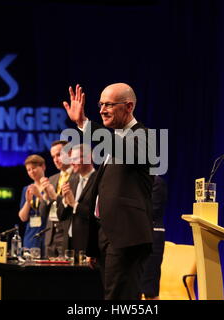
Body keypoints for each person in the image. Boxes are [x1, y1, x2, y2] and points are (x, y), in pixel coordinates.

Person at [62, 83, 154, 300]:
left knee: (120, 300)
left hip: (126, 237)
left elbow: (120, 148)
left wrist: (83, 123)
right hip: (107, 238)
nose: (102, 109)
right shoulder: (113, 143)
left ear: (129, 106)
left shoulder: (146, 137)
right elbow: (102, 195)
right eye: (100, 104)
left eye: (109, 104)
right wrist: (94, 245)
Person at [58, 144, 97, 259]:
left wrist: (74, 205)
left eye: (75, 159)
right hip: (69, 243)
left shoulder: (99, 180)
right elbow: (61, 215)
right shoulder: (72, 179)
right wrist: (65, 202)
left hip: (88, 245)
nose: (72, 163)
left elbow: (97, 215)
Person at [39, 140, 77, 258]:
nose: (55, 159)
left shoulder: (78, 176)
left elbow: (74, 205)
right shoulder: (52, 179)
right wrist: (45, 197)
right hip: (51, 236)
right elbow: (43, 212)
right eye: (53, 156)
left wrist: (55, 195)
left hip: (68, 235)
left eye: (59, 154)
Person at [141, 175, 168, 299]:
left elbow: (153, 210)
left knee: (150, 288)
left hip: (153, 239)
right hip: (136, 238)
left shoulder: (157, 182)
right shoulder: (134, 182)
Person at [18, 154, 47, 254]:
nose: (31, 172)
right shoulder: (27, 189)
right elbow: (23, 217)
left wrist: (39, 196)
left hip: (47, 233)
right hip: (31, 234)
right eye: (28, 170)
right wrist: (28, 201)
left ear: (43, 166)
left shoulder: (51, 185)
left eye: (33, 168)